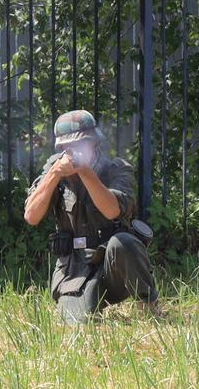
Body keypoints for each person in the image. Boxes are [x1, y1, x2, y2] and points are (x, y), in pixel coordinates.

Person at [21, 110, 157, 322]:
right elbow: (31, 216)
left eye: (78, 144)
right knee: (79, 324)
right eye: (66, 147)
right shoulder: (54, 170)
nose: (72, 151)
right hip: (75, 270)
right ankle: (87, 304)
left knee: (124, 242)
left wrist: (85, 172)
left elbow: (112, 210)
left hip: (113, 267)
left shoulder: (116, 169)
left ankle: (148, 307)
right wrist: (55, 174)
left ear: (94, 142)